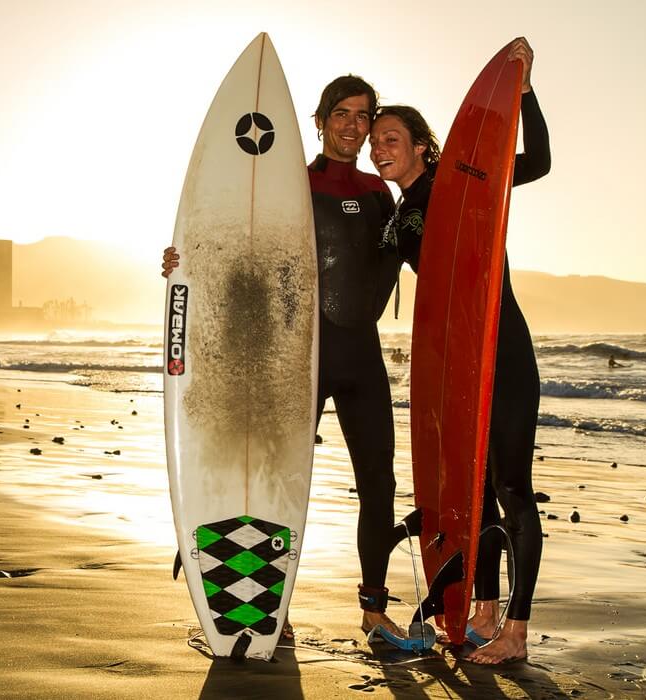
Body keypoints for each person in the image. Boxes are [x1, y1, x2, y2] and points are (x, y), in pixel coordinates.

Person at [164, 75, 404, 641]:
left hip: (360, 355)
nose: (351, 124)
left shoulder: (378, 193)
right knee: (274, 480)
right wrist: (184, 262)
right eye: (340, 113)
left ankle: (374, 610)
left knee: (379, 483)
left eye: (363, 115)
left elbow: (404, 257)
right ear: (318, 122)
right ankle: (269, 605)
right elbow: (235, 254)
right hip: (296, 356)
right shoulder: (286, 185)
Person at [368, 37, 550, 664]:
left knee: (511, 487)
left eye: (392, 137)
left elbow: (540, 162)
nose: (379, 147)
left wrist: (524, 95)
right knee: (474, 492)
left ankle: (517, 632)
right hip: (459, 360)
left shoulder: (463, 181)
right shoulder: (396, 222)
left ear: (423, 144)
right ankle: (484, 614)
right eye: (375, 141)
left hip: (503, 344)